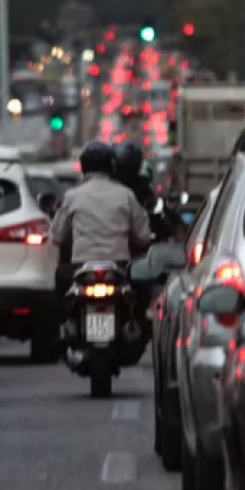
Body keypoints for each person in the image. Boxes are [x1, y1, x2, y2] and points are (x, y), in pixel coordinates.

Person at [48, 141, 151, 348]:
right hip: (120, 267)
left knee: (60, 277)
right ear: (112, 167)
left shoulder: (72, 196)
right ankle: (136, 326)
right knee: (143, 284)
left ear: (84, 167)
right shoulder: (126, 195)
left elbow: (56, 236)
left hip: (81, 267)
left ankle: (64, 326)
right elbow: (143, 236)